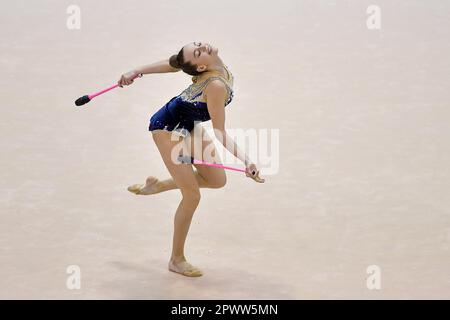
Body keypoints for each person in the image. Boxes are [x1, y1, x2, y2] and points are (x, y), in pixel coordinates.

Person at [118, 41, 265, 277]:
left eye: (198, 45)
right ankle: (176, 259)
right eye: (198, 52)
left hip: (188, 124)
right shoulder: (216, 86)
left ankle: (158, 186)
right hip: (167, 128)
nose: (203, 46)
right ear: (200, 67)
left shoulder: (215, 67)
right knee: (192, 195)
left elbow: (174, 63)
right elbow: (220, 132)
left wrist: (137, 71)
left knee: (217, 180)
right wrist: (247, 161)